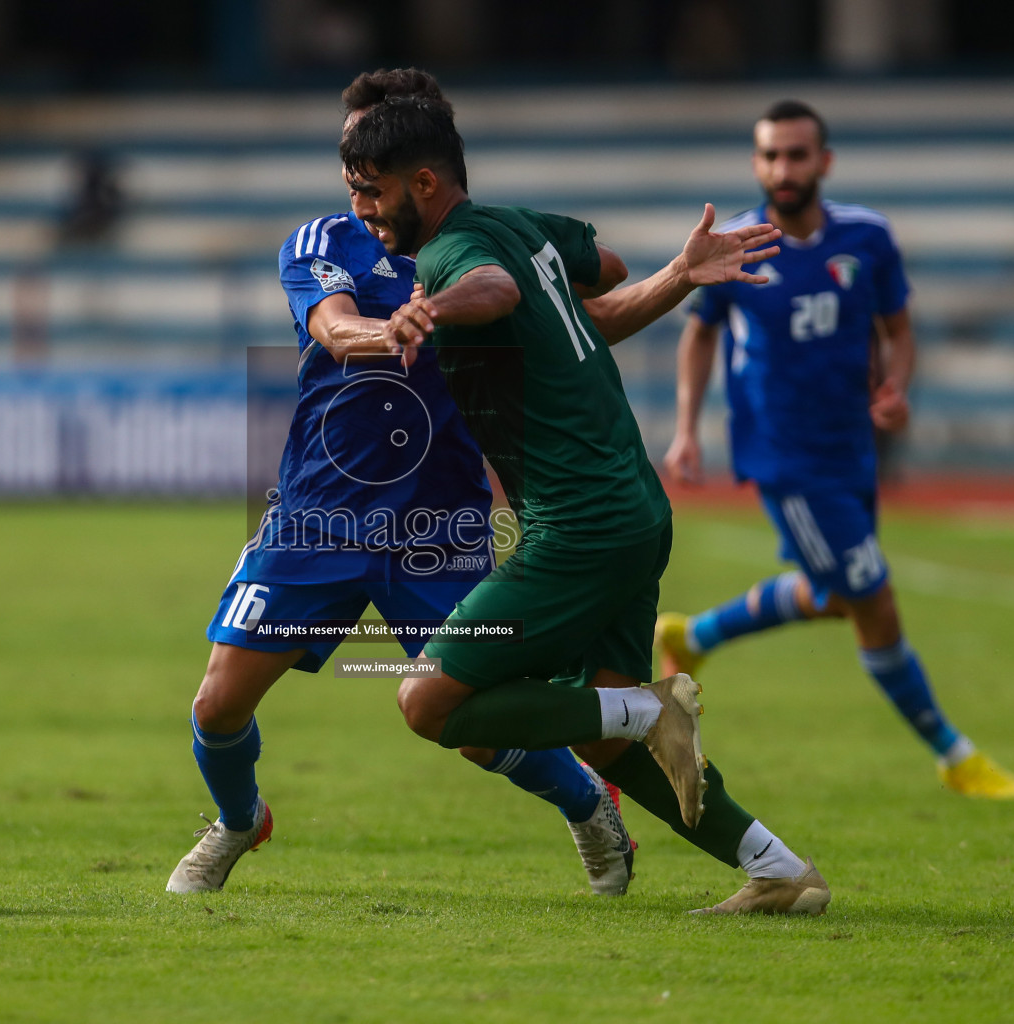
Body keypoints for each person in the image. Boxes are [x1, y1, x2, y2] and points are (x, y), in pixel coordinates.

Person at [343, 95, 831, 915]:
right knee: (602, 735)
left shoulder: (454, 254)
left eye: (370, 189)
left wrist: (432, 306)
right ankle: (780, 870)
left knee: (428, 701)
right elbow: (600, 279)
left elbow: (492, 289)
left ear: (422, 183)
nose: (362, 209)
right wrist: (678, 274)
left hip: (579, 527)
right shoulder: (523, 225)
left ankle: (652, 707)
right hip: (634, 510)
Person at [168, 70, 637, 898]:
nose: (355, 185)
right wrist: (402, 323)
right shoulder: (324, 240)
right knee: (216, 705)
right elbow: (338, 331)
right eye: (348, 164)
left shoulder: (480, 242)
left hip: (440, 525)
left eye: (368, 166)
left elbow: (594, 289)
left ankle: (588, 805)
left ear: (417, 163)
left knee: (472, 727)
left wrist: (676, 278)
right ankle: (239, 822)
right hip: (319, 519)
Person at [654, 99, 1014, 800]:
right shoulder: (734, 243)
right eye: (770, 155)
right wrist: (684, 428)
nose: (782, 168)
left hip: (853, 448)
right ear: (756, 163)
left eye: (797, 155)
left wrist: (898, 386)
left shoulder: (868, 238)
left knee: (835, 596)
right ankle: (954, 753)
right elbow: (699, 332)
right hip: (785, 458)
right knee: (873, 599)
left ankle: (695, 633)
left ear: (823, 162)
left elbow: (898, 329)